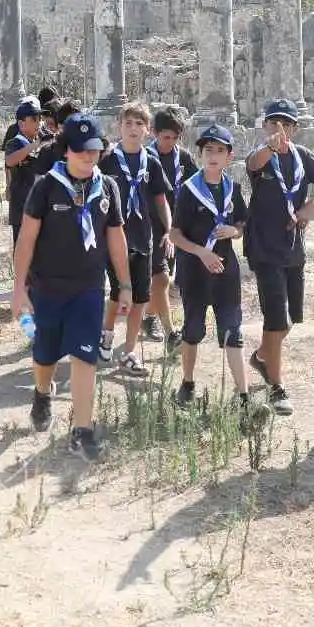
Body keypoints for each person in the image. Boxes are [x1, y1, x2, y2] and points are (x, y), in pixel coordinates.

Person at [12, 114, 132, 462]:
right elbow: (26, 239)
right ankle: (42, 393)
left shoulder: (107, 187)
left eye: (93, 150)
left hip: (89, 288)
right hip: (47, 287)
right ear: (66, 152)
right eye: (81, 151)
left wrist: (124, 284)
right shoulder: (46, 187)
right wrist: (19, 289)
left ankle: (83, 430)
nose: (89, 157)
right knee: (45, 353)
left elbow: (116, 238)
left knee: (85, 355)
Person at [243, 99, 314, 416]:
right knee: (276, 319)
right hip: (263, 248)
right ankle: (276, 387)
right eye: (273, 123)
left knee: (290, 321)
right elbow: (253, 165)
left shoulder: (303, 157)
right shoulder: (262, 156)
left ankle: (261, 356)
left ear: (296, 129)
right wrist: (270, 148)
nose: (279, 129)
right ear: (265, 126)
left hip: (293, 248)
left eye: (286, 124)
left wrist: (313, 206)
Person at [169, 125, 254, 425]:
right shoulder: (189, 190)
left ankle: (243, 397)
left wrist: (235, 230)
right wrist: (201, 252)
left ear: (230, 157)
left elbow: (243, 224)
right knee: (192, 330)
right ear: (200, 154)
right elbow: (174, 235)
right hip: (195, 271)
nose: (213, 156)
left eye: (220, 151)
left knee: (233, 331)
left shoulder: (232, 188)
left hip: (226, 271)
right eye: (208, 150)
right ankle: (188, 382)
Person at [96, 101, 174, 379]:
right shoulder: (107, 159)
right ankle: (106, 334)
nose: (133, 128)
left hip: (144, 238)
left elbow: (160, 199)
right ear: (119, 126)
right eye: (128, 123)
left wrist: (169, 229)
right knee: (119, 292)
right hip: (115, 238)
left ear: (148, 130)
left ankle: (128, 352)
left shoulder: (150, 162)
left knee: (141, 298)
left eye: (139, 124)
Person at [147, 108, 198, 347]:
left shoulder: (184, 158)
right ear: (155, 134)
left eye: (175, 138)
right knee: (162, 278)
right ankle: (168, 331)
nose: (170, 142)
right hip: (151, 224)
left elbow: (197, 185)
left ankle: (148, 316)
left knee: (164, 278)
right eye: (166, 137)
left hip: (177, 226)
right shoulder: (146, 157)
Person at [3, 99, 50, 243]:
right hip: (21, 208)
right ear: (21, 123)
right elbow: (10, 161)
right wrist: (35, 145)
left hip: (42, 206)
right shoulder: (15, 143)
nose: (39, 123)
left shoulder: (44, 140)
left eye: (40, 119)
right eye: (34, 119)